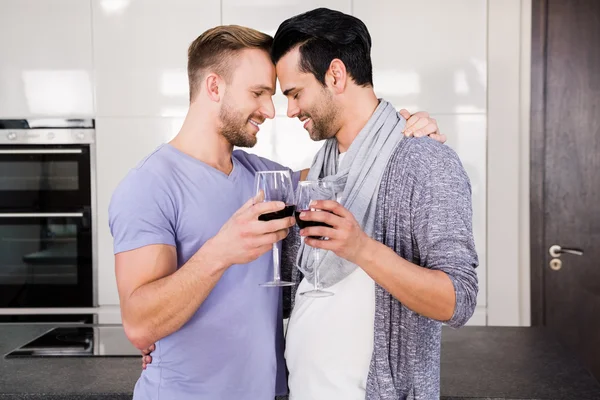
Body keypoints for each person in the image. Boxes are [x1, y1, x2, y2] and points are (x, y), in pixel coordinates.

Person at [110, 24, 443, 400]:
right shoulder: (149, 185)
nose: (271, 110)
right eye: (259, 93)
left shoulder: (264, 178)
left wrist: (402, 132)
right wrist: (221, 251)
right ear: (214, 87)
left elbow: (347, 168)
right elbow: (139, 325)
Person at [272, 8, 479, 400]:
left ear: (335, 75)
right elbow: (289, 295)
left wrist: (362, 249)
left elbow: (459, 299)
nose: (290, 110)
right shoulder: (316, 175)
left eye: (295, 93)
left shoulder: (425, 162)